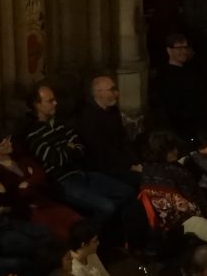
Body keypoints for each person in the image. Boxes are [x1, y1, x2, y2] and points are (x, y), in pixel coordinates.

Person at [22, 84, 132, 220]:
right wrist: (70, 148)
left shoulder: (60, 124)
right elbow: (56, 159)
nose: (55, 103)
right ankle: (91, 230)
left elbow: (80, 148)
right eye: (50, 101)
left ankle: (100, 222)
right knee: (108, 207)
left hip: (81, 173)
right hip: (63, 182)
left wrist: (68, 150)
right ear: (37, 105)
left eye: (55, 99)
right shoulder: (33, 135)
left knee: (127, 192)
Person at [152, 34, 207, 144]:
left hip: (201, 125)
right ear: (169, 51)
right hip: (188, 132)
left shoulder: (189, 70)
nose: (184, 51)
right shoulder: (167, 77)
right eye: (179, 48)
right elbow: (176, 110)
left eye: (185, 47)